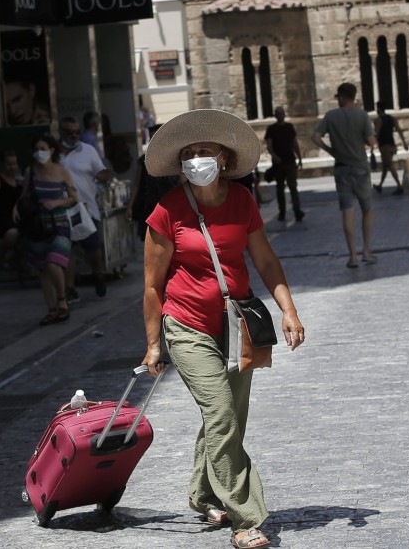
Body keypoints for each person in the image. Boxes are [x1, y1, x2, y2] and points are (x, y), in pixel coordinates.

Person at [141, 108, 305, 549]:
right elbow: (152, 287)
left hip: (236, 325)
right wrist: (154, 345)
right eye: (189, 153)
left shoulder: (242, 201)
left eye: (205, 151)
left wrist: (289, 310)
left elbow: (265, 260)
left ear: (224, 159)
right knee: (221, 413)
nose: (197, 159)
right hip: (187, 326)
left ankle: (201, 492)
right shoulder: (167, 210)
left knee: (230, 416)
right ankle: (245, 517)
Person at [311, 83, 377, 268]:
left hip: (341, 168)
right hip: (361, 169)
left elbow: (315, 137)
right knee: (367, 209)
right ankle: (367, 251)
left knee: (347, 211)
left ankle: (353, 256)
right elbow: (372, 142)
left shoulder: (331, 116)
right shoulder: (362, 115)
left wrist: (330, 150)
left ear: (342, 97)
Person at [16, 133, 77, 324]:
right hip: (37, 225)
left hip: (59, 223)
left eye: (42, 149)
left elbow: (74, 197)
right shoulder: (31, 171)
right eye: (36, 150)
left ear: (51, 150)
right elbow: (24, 195)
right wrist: (16, 209)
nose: (39, 153)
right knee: (43, 269)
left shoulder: (62, 171)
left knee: (53, 263)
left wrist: (56, 203)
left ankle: (62, 301)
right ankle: (52, 309)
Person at [58, 116, 114, 302]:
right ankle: (70, 288)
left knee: (92, 247)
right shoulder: (54, 153)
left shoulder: (88, 150)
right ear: (61, 132)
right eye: (69, 132)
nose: (73, 136)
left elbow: (101, 171)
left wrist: (105, 174)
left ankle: (98, 274)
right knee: (68, 249)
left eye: (76, 132)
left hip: (86, 208)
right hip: (62, 208)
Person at [127, 124, 180, 241]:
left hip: (172, 208)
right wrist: (130, 207)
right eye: (152, 139)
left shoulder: (175, 160)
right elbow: (136, 185)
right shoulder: (144, 160)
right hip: (150, 208)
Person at [263, 106, 305, 222]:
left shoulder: (289, 127)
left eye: (282, 113)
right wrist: (275, 157)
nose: (281, 116)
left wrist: (299, 157)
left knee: (293, 187)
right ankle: (282, 211)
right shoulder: (271, 129)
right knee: (280, 188)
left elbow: (294, 143)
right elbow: (269, 145)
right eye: (278, 114)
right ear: (275, 115)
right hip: (279, 164)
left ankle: (297, 211)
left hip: (290, 161)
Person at [374, 101, 409, 195]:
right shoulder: (392, 118)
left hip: (384, 145)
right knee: (386, 165)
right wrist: (404, 143)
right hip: (392, 144)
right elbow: (399, 130)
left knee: (389, 165)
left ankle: (399, 185)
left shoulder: (378, 120)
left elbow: (376, 134)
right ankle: (380, 185)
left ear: (378, 109)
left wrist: (372, 146)